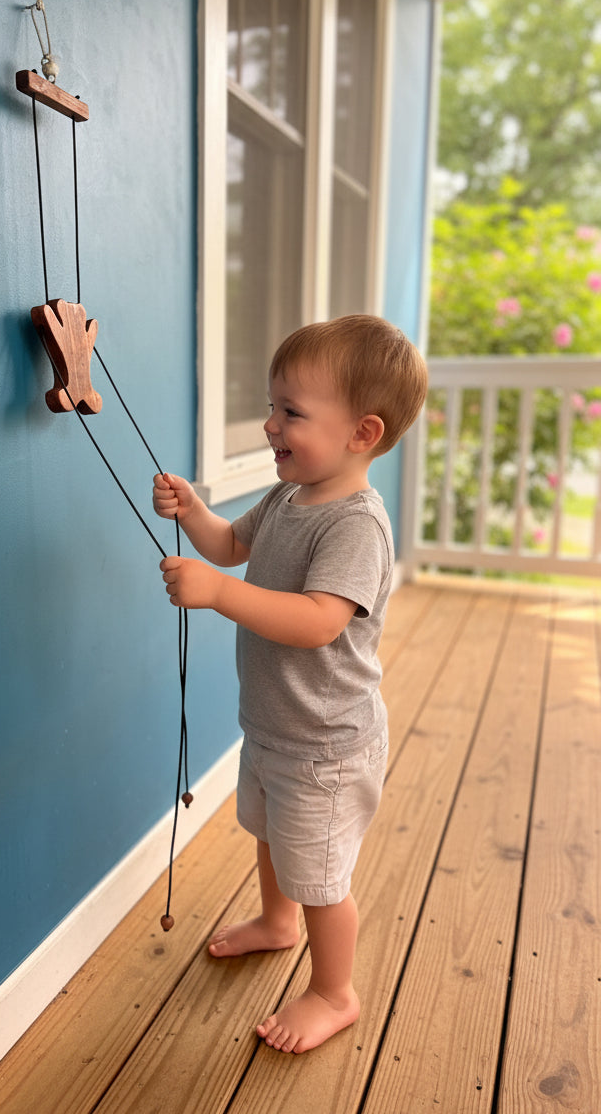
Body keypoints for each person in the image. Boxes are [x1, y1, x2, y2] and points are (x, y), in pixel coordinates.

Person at [152, 314, 428, 1055]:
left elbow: (316, 622)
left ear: (361, 433)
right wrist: (195, 512)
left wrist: (215, 594)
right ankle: (277, 926)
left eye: (292, 413)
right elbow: (231, 547)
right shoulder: (287, 496)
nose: (271, 425)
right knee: (273, 839)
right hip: (275, 729)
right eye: (272, 406)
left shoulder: (355, 526)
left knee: (323, 877)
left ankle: (334, 992)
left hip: (327, 747)